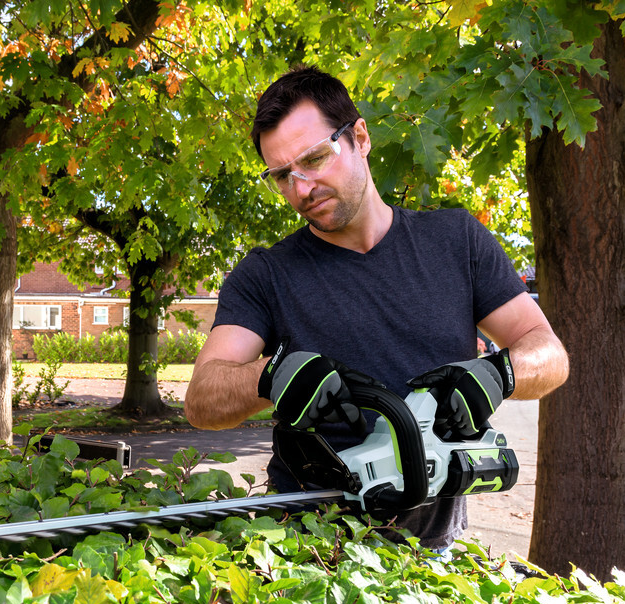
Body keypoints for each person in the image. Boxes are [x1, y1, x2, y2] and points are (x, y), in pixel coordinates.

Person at [185, 67, 569, 551]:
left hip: (435, 547)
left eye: (315, 159)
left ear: (360, 137)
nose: (302, 188)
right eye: (283, 176)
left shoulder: (456, 241)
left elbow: (549, 353)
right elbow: (202, 398)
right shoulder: (265, 274)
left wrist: (499, 374)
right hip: (309, 547)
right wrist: (269, 378)